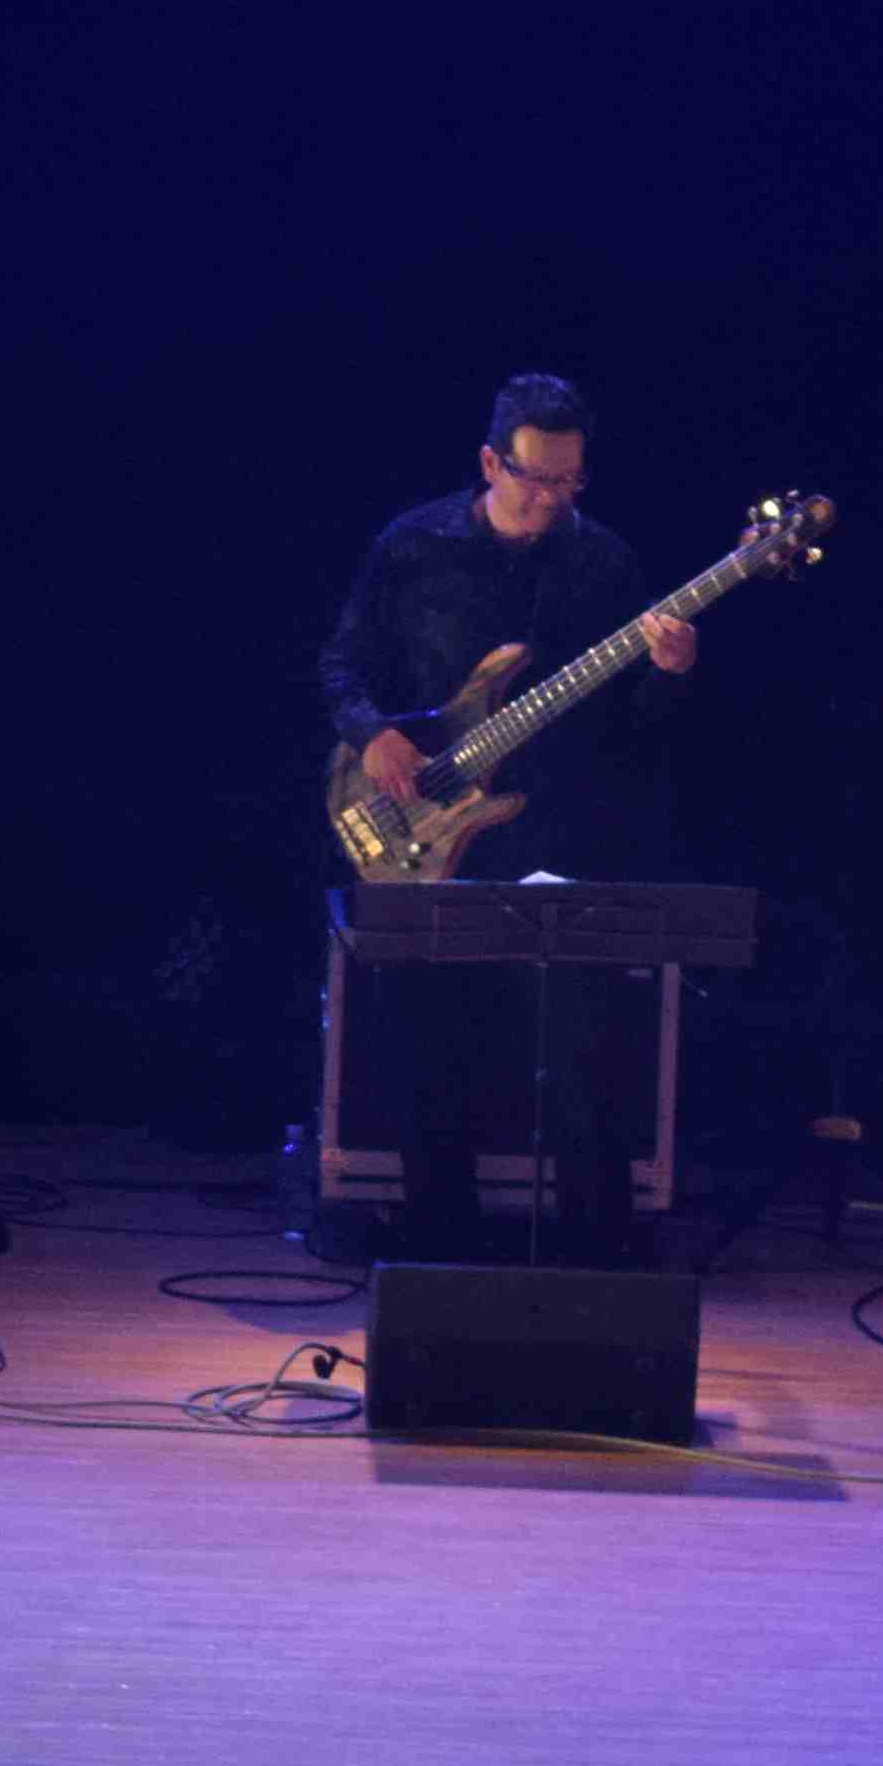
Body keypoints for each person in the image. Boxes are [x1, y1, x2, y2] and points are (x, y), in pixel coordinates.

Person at [318, 374, 700, 1256]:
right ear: (492, 462)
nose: (552, 498)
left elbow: (638, 732)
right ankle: (435, 1247)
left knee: (583, 1054)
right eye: (534, 478)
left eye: (570, 480)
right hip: (429, 823)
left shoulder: (602, 562)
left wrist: (670, 677)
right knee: (431, 1051)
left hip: (561, 830)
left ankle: (594, 1256)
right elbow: (341, 663)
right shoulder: (414, 545)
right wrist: (371, 734)